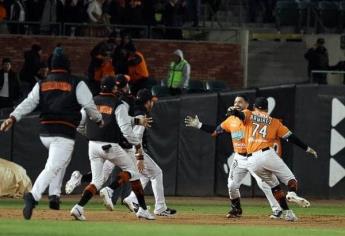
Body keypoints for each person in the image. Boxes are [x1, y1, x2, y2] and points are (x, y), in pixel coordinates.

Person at [0, 49, 103, 220]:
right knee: (53, 166)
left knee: (59, 161)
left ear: (51, 65)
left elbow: (29, 102)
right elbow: (89, 105)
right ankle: (33, 196)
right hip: (63, 132)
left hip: (45, 132)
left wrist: (13, 117)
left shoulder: (43, 83)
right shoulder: (76, 82)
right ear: (67, 65)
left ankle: (54, 195)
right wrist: (98, 119)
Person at [70, 76, 155, 221]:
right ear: (114, 88)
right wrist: (137, 145)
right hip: (110, 146)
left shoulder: (91, 102)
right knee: (132, 171)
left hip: (93, 146)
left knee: (96, 181)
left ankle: (78, 208)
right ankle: (143, 210)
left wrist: (89, 135)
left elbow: (79, 124)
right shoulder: (118, 104)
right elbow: (126, 130)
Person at [185, 95, 282, 219]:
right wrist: (199, 125)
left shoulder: (252, 117)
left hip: (255, 157)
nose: (237, 104)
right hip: (240, 158)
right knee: (231, 185)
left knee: (264, 184)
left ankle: (277, 209)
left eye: (240, 102)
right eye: (235, 102)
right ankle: (236, 209)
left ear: (247, 104)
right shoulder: (231, 120)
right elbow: (216, 131)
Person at [228, 97, 318, 221]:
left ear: (254, 106)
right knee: (291, 180)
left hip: (252, 160)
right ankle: (291, 194)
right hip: (267, 154)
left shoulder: (249, 114)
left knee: (275, 186)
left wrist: (233, 111)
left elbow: (239, 114)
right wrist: (307, 148)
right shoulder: (274, 122)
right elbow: (291, 138)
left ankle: (287, 213)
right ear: (267, 108)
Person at [118, 88, 177, 216]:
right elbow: (136, 136)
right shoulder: (141, 113)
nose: (152, 104)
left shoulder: (134, 108)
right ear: (148, 101)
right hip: (134, 148)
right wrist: (140, 157)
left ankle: (131, 198)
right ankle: (160, 207)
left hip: (127, 147)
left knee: (145, 175)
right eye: (151, 101)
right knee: (157, 173)